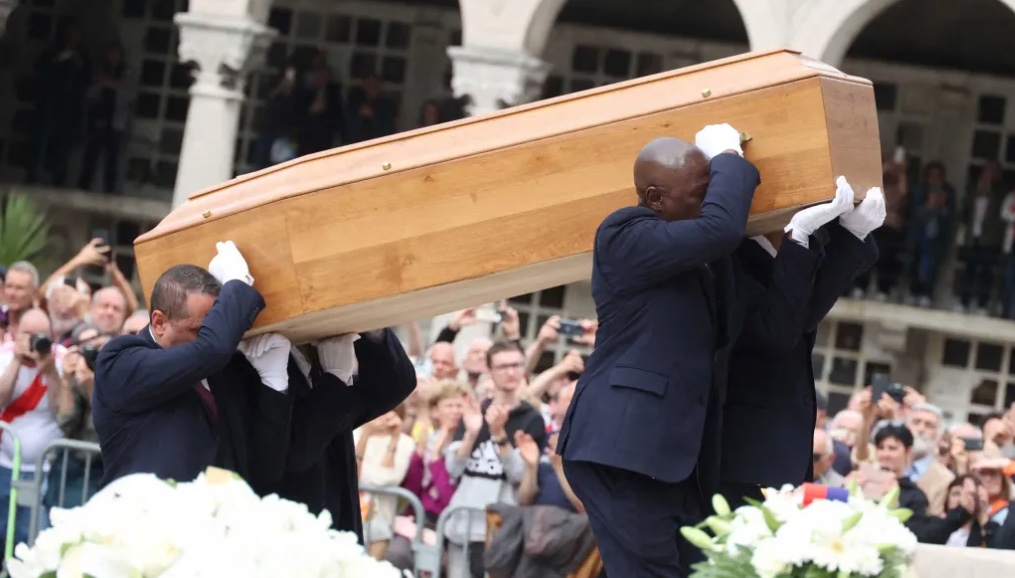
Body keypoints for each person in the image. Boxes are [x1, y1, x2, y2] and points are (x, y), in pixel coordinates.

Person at [558, 124, 760, 578]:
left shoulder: (692, 257)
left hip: (667, 455)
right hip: (623, 450)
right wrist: (729, 159)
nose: (709, 201)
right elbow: (722, 228)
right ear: (654, 198)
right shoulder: (624, 234)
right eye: (700, 193)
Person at [720, 177, 883, 505]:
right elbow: (776, 332)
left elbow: (805, 314)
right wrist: (799, 238)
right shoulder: (732, 258)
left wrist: (851, 234)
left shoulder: (786, 249)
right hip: (743, 454)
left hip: (775, 453)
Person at [93, 241, 264, 486]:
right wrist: (237, 284)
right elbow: (211, 348)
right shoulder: (119, 360)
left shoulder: (217, 371)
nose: (206, 336)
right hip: (142, 508)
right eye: (198, 330)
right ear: (159, 322)